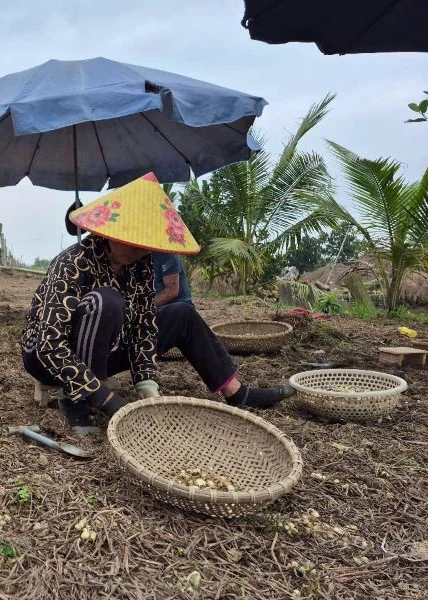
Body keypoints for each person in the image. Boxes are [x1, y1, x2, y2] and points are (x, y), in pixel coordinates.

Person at [22, 173, 185, 433]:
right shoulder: (72, 263)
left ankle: (92, 390)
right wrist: (106, 399)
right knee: (105, 299)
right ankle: (75, 398)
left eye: (145, 245)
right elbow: (49, 345)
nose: (139, 251)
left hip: (99, 353)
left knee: (126, 306)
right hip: (43, 358)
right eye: (131, 242)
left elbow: (143, 326)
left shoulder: (140, 268)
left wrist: (146, 381)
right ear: (109, 234)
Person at [152, 252, 294, 409]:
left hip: (153, 321)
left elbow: (172, 291)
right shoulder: (125, 259)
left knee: (184, 315)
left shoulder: (163, 254)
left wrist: (140, 306)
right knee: (182, 315)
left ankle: (237, 393)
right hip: (123, 337)